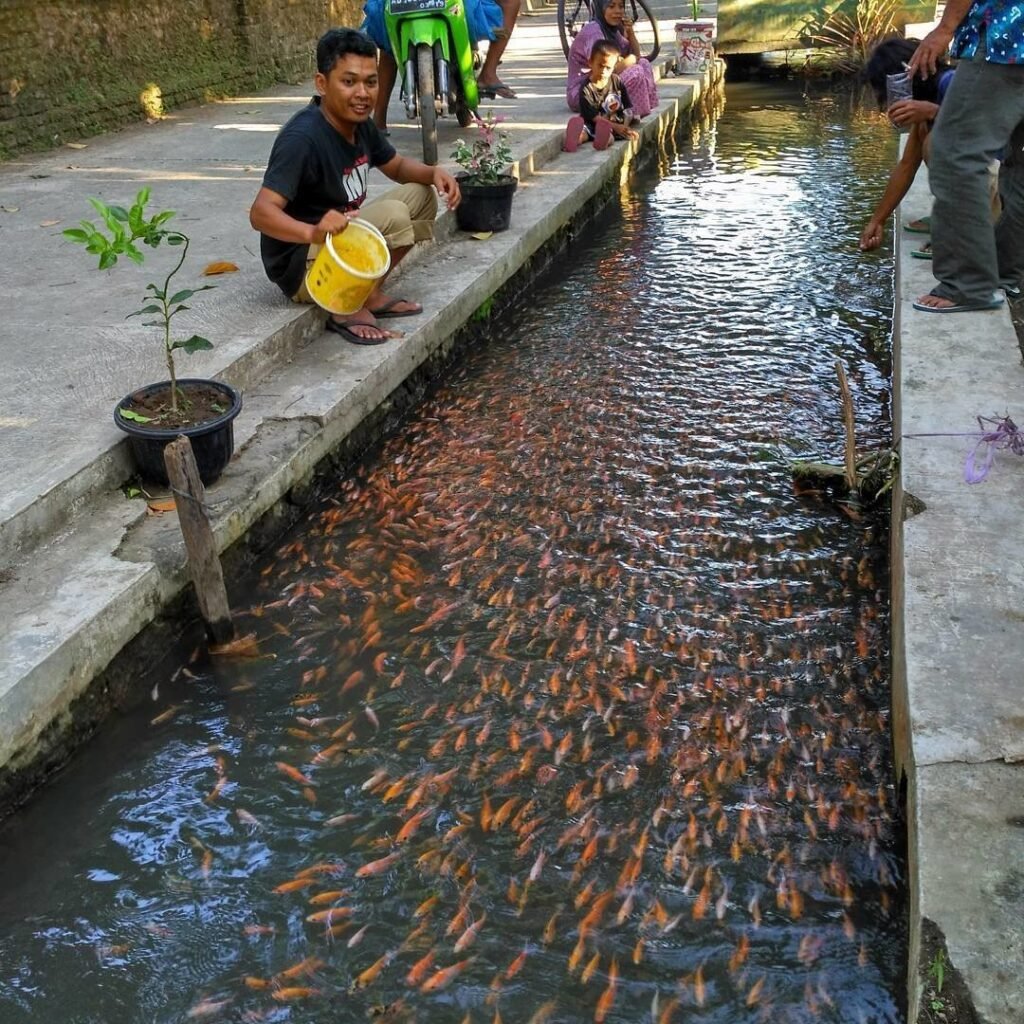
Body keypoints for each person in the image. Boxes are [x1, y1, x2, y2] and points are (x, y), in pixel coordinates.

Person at [250, 29, 461, 345]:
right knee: (395, 214)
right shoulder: (302, 139)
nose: (362, 93)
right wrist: (312, 232)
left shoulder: (360, 123)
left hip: (341, 244)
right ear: (322, 84)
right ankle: (344, 307)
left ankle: (369, 294)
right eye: (349, 82)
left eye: (371, 82)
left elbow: (397, 167)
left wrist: (433, 172)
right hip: (303, 267)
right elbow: (260, 213)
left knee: (420, 195)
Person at [908, 0, 1024, 313]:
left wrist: (946, 27)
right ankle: (1004, 273)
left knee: (955, 153)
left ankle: (967, 284)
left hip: (1011, 35)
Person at [859, 38, 958, 254]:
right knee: (926, 134)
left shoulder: (952, 82)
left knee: (934, 143)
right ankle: (950, 220)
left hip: (995, 185)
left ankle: (960, 233)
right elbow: (906, 165)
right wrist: (877, 220)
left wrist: (934, 112)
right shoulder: (927, 108)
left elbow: (986, 129)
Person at [566, 0, 658, 119]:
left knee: (644, 64)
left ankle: (633, 114)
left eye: (621, 6)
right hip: (585, 92)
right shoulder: (594, 32)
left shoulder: (612, 30)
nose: (617, 11)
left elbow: (636, 55)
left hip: (603, 85)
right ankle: (614, 116)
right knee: (635, 72)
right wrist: (631, 59)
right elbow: (604, 71)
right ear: (601, 8)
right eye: (611, 6)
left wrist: (630, 33)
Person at [564, 40, 641, 152]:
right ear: (590, 62)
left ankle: (602, 141)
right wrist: (616, 127)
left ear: (614, 66)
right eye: (600, 66)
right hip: (594, 123)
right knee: (585, 131)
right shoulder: (586, 88)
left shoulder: (617, 81)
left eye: (608, 68)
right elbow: (594, 117)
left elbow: (627, 107)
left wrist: (625, 126)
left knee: (609, 136)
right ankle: (575, 139)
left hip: (614, 124)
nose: (603, 71)